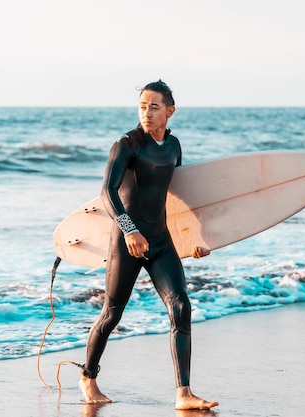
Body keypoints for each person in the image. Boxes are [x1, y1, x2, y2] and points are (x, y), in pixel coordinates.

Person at [79, 80, 218, 410]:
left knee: (181, 306)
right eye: (142, 106)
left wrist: (194, 241)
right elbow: (107, 194)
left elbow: (178, 198)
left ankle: (183, 394)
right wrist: (129, 230)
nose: (147, 113)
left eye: (154, 107)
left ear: (170, 111)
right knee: (112, 314)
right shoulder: (126, 144)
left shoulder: (174, 147)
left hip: (160, 240)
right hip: (126, 242)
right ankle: (88, 377)